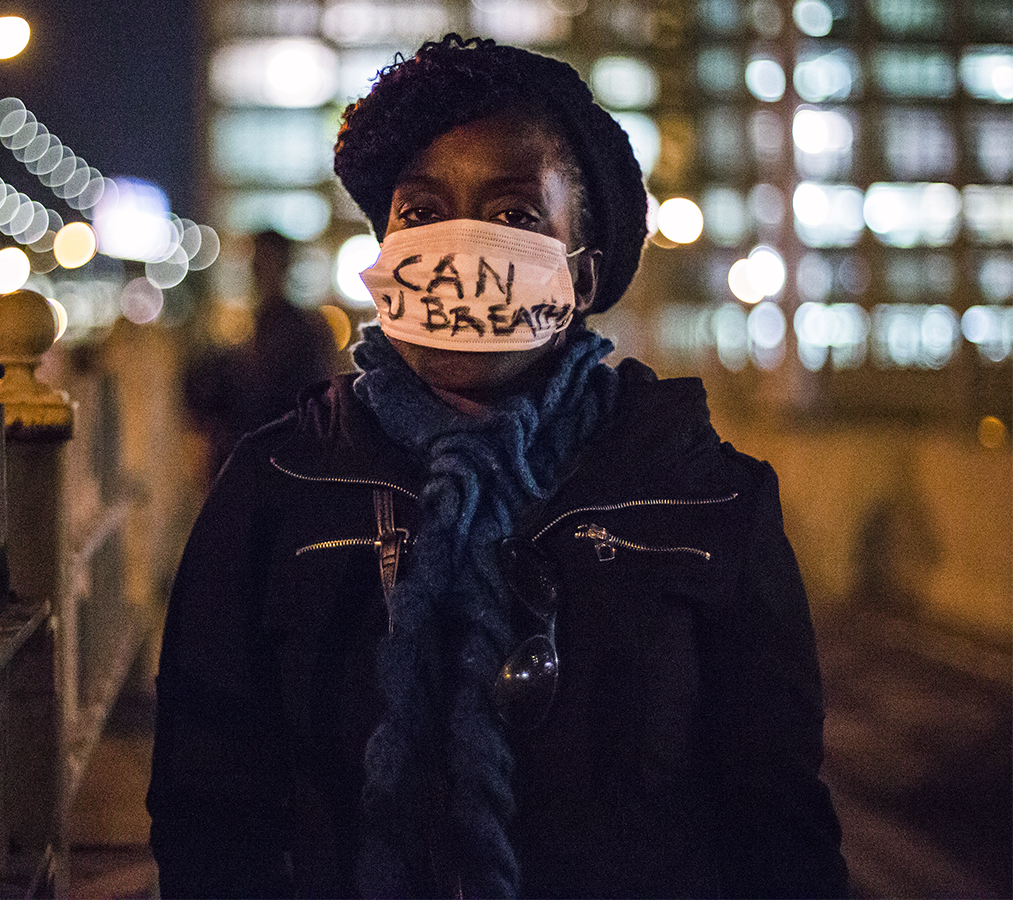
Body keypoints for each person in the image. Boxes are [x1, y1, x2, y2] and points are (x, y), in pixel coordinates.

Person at [148, 34, 848, 899]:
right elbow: (210, 816)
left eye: (515, 215)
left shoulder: (703, 498)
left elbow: (778, 833)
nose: (459, 247)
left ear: (583, 275)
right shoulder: (280, 485)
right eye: (420, 211)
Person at [182, 229, 341, 478]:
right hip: (262, 464)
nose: (259, 273)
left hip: (278, 468)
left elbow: (302, 400)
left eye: (266, 262)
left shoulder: (299, 332)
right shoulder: (255, 326)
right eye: (256, 264)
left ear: (284, 266)